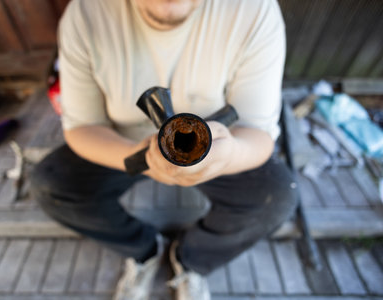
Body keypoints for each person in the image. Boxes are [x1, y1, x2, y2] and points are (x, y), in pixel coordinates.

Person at [30, 0, 297, 299]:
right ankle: (143, 249)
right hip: (126, 144)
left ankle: (190, 260)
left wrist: (230, 154)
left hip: (216, 146)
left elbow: (256, 133)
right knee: (52, 185)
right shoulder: (86, 12)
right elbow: (82, 127)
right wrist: (141, 157)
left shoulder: (254, 10)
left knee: (276, 196)